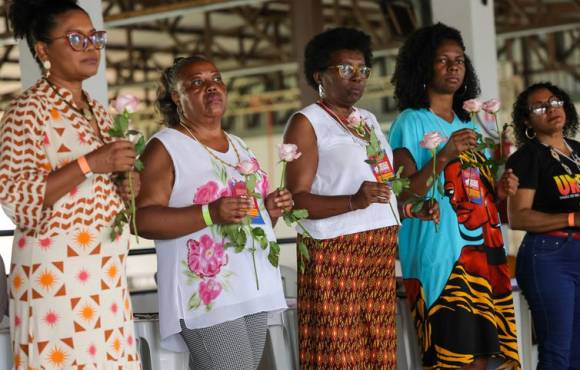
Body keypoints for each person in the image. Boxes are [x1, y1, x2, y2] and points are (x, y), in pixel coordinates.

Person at [283, 27, 437, 369]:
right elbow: (295, 201)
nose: (357, 78)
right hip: (335, 256)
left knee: (377, 356)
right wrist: (352, 201)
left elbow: (381, 189)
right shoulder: (307, 123)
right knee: (339, 358)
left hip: (377, 252)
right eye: (345, 69)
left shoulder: (366, 120)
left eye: (363, 69)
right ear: (318, 75)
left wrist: (410, 208)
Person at [1, 0, 141, 368]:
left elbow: (109, 186)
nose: (91, 47)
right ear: (43, 50)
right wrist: (90, 163)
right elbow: (16, 197)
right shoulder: (25, 112)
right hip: (56, 275)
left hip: (104, 271)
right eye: (77, 39)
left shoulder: (97, 109)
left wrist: (128, 183)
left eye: (95, 37)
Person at [135, 55, 289, 370]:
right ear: (176, 96)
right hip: (206, 294)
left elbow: (249, 221)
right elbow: (142, 219)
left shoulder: (238, 145)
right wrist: (209, 213)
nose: (211, 87)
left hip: (251, 284)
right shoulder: (165, 148)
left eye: (216, 79)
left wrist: (269, 211)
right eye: (197, 82)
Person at [388, 23, 520, 369]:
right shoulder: (410, 122)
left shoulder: (471, 123)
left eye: (458, 60)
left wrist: (501, 191)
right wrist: (443, 156)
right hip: (440, 260)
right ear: (423, 66)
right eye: (442, 60)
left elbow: (482, 198)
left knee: (484, 361)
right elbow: (402, 193)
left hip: (484, 255)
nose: (453, 67)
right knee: (453, 361)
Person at [507, 82, 580, 370]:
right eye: (539, 107)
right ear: (527, 120)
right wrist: (572, 219)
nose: (551, 110)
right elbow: (518, 217)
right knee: (556, 352)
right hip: (550, 255)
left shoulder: (576, 151)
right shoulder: (526, 158)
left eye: (555, 102)